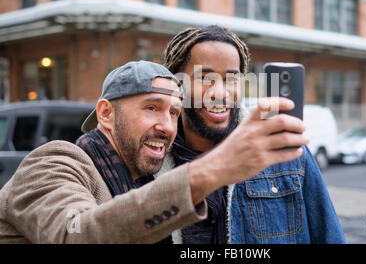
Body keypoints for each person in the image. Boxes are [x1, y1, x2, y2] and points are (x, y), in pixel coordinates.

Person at [0, 60, 307, 243]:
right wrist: (215, 168)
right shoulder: (55, 161)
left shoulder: (144, 182)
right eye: (152, 108)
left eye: (174, 113)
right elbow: (75, 234)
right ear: (106, 114)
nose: (166, 126)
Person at [162, 25, 346, 244]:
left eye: (231, 78)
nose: (220, 93)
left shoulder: (285, 152)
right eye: (204, 78)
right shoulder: (153, 160)